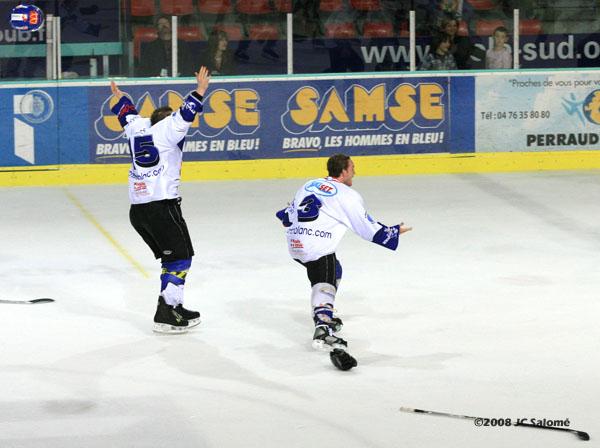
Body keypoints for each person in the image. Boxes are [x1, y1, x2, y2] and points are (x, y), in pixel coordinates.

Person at [109, 66, 211, 333]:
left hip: (139, 211)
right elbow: (186, 112)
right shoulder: (169, 130)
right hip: (161, 207)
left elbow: (126, 115)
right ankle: (165, 312)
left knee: (173, 257)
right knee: (181, 258)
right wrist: (200, 90)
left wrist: (120, 97)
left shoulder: (139, 129)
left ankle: (174, 306)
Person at [276, 154, 412, 349]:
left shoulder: (310, 184)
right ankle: (323, 327)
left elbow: (285, 214)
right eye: (352, 167)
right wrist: (393, 231)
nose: (355, 172)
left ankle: (325, 313)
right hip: (317, 245)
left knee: (333, 270)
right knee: (325, 279)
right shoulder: (347, 195)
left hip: (295, 244)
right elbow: (365, 227)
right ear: (344, 171)